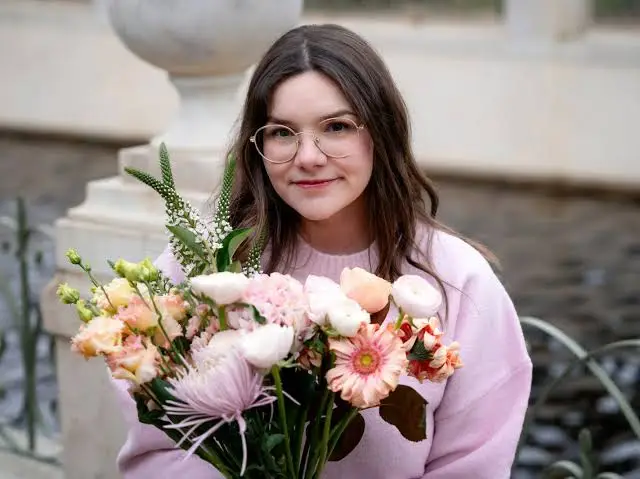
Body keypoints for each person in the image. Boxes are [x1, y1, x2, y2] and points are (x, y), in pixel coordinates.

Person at [114, 23, 532, 479]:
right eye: (282, 132)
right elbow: (159, 450)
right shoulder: (207, 270)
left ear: (382, 133)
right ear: (258, 144)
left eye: (336, 127)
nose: (308, 156)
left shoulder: (457, 280)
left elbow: (472, 466)